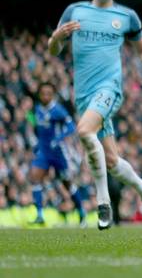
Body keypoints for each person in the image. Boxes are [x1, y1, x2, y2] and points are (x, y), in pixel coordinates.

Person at [48, 0, 142, 230]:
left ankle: (103, 204)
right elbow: (53, 49)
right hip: (84, 95)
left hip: (109, 89)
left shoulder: (126, 16)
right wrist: (57, 36)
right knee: (111, 161)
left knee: (84, 131)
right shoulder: (74, 11)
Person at [29, 82, 86, 227]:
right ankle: (40, 215)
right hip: (43, 151)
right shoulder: (37, 109)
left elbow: (71, 126)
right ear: (40, 94)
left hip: (58, 153)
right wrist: (36, 142)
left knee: (67, 183)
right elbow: (36, 126)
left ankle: (81, 212)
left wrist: (59, 139)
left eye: (48, 93)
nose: (46, 96)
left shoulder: (58, 110)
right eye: (43, 93)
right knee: (35, 177)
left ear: (52, 94)